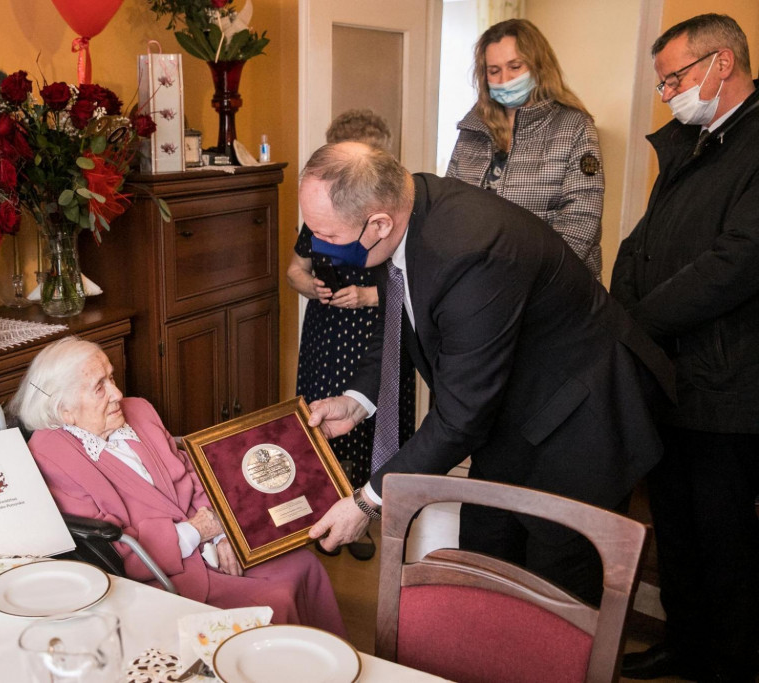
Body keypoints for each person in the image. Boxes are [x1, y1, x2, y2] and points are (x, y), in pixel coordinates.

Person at [301, 142, 675, 606]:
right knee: (485, 559)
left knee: (555, 594)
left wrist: (367, 501)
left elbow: (461, 416)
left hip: (583, 415)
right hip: (508, 410)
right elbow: (401, 319)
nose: (320, 249)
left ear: (379, 223)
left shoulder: (471, 249)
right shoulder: (400, 217)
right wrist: (357, 399)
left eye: (328, 237)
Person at [9, 337, 347, 636]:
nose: (117, 393)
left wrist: (223, 532)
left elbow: (192, 474)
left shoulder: (138, 410)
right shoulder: (52, 453)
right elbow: (113, 546)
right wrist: (197, 532)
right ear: (64, 410)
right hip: (161, 569)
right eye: (100, 387)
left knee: (305, 566)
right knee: (274, 601)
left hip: (213, 538)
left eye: (111, 377)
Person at [611, 14, 759, 682]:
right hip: (669, 373)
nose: (668, 92)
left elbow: (737, 260)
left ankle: (726, 661)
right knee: (675, 528)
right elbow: (646, 241)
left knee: (723, 536)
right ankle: (685, 640)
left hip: (729, 381)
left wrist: (640, 318)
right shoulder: (693, 144)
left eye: (675, 76)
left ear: (721, 63)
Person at [286, 109, 415, 561]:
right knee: (324, 420)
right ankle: (318, 509)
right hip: (327, 333)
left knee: (371, 426)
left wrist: (366, 296)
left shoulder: (394, 229)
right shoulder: (321, 218)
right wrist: (312, 288)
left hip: (371, 332)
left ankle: (365, 512)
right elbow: (295, 271)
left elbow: (406, 292)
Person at [446, 19, 604, 279]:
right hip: (483, 278)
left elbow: (582, 217)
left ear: (538, 66)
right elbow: (451, 203)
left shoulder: (574, 126)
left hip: (553, 283)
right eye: (493, 70)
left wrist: (537, 279)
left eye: (515, 67)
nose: (504, 79)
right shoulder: (473, 127)